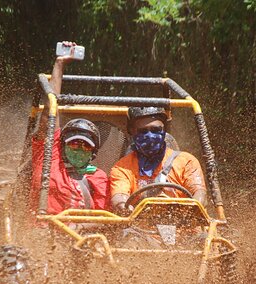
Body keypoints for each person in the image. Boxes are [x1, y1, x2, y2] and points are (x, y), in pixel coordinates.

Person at [29, 43, 108, 214]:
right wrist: (59, 64)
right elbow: (50, 112)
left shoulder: (98, 177)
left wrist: (79, 227)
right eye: (74, 144)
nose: (79, 149)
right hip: (39, 232)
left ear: (93, 152)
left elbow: (104, 220)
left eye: (85, 146)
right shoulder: (49, 159)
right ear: (63, 146)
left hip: (82, 236)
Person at [109, 106, 207, 214]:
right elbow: (119, 195)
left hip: (184, 226)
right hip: (137, 227)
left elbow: (199, 193)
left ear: (164, 131)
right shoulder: (122, 168)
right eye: (143, 131)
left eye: (156, 130)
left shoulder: (186, 161)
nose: (150, 136)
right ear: (132, 132)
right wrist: (122, 207)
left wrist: (193, 209)